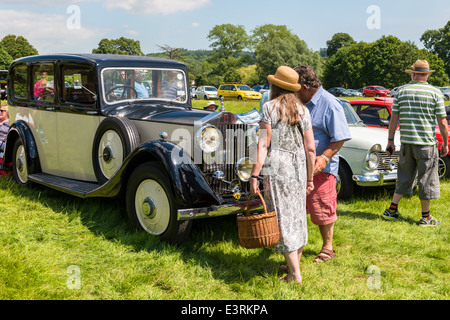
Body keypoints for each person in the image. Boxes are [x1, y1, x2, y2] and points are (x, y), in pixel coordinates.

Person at [250, 66, 316, 284]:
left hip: (278, 166)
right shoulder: (303, 110)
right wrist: (309, 178)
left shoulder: (269, 108)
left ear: (275, 85)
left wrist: (254, 175)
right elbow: (310, 149)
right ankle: (293, 266)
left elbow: (263, 144)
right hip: (298, 168)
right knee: (296, 215)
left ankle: (294, 274)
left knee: (282, 218)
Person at [293, 65, 351, 263]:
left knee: (322, 207)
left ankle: (328, 247)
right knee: (298, 208)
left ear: (305, 86)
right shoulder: (300, 101)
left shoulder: (330, 104)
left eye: (295, 87)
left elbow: (340, 137)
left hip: (321, 167)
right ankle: (296, 250)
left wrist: (324, 157)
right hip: (298, 166)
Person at [383, 59, 448, 226]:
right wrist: (445, 143)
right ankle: (426, 217)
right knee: (427, 179)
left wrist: (390, 140)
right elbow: (442, 122)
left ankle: (391, 210)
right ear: (427, 75)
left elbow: (393, 119)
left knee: (404, 176)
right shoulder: (436, 93)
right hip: (426, 143)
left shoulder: (401, 92)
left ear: (413, 74)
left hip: (406, 142)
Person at [0, 103, 10, 173]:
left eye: (2, 111)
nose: (0, 112)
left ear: (7, 112)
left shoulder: (9, 123)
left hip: (3, 143)